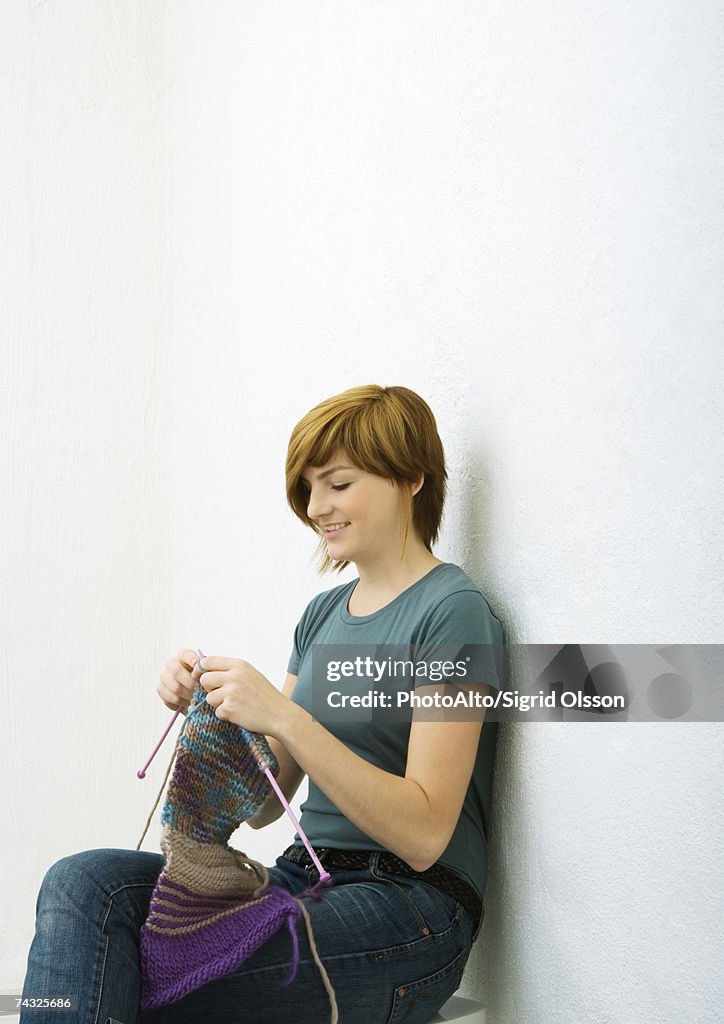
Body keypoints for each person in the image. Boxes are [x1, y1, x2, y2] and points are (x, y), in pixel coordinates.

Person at [19, 384, 506, 1024]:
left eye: (336, 484)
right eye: (307, 489)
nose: (316, 507)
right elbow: (263, 800)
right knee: (84, 884)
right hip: (305, 877)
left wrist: (283, 714)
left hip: (411, 907)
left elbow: (423, 834)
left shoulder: (453, 612)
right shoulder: (323, 615)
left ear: (411, 478)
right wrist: (215, 708)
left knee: (126, 975)